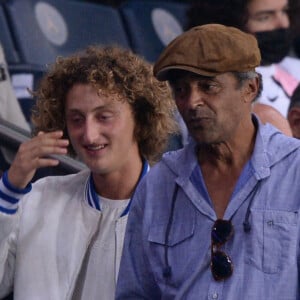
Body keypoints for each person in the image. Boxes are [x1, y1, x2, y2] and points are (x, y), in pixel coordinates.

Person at [116, 24, 300, 299]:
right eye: (181, 90)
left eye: (208, 86)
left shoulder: (294, 170)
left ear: (250, 88)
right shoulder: (159, 184)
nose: (191, 102)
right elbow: (135, 293)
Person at [0, 45, 178, 299]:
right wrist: (9, 191)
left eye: (104, 117)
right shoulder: (40, 197)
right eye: (76, 119)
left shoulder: (176, 212)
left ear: (140, 118)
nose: (89, 134)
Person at [185, 0, 300, 118]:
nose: (283, 23)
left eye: (284, 11)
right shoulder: (210, 89)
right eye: (264, 17)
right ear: (229, 26)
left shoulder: (294, 68)